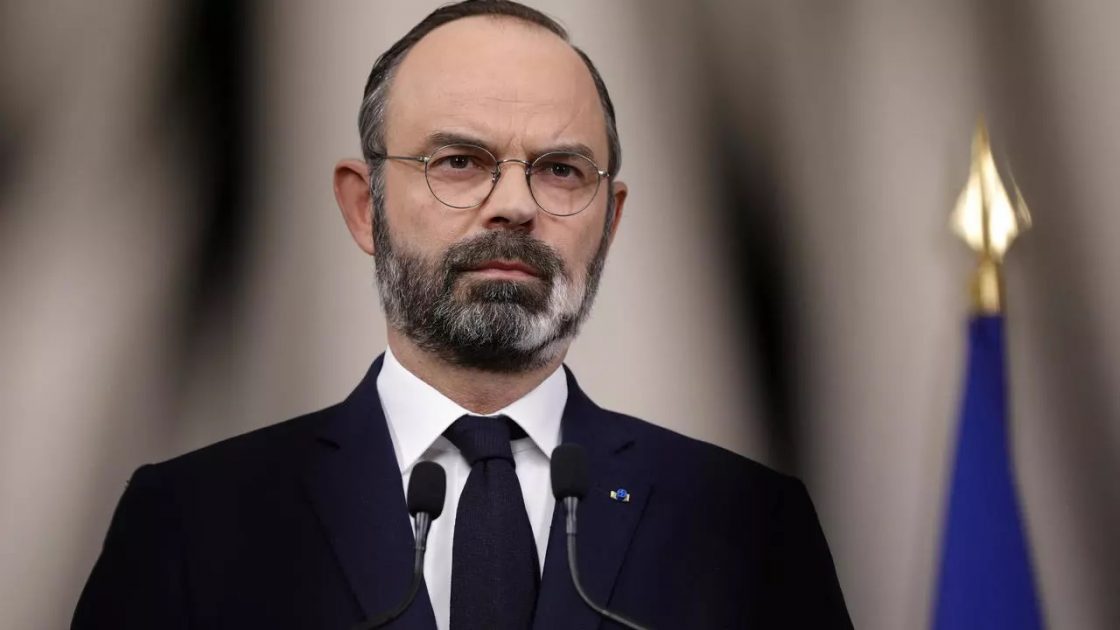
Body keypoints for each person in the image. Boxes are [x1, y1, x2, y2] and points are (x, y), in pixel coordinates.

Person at [72, 1, 852, 628]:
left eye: (560, 170)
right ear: (365, 207)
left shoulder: (751, 525)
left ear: (610, 221)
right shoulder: (190, 523)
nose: (514, 205)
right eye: (460, 162)